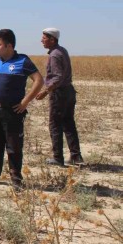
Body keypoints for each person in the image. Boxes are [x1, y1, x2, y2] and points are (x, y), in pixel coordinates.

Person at [0, 29, 44, 189]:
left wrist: (25, 102)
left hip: (13, 112)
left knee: (14, 146)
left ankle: (16, 178)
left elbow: (39, 80)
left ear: (9, 45)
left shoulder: (23, 61)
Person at [35, 28, 84, 166]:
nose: (41, 40)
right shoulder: (62, 50)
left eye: (44, 38)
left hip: (59, 94)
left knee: (55, 125)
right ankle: (76, 156)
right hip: (68, 91)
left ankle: (58, 158)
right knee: (68, 123)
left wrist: (45, 91)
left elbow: (57, 77)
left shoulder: (55, 55)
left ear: (52, 39)